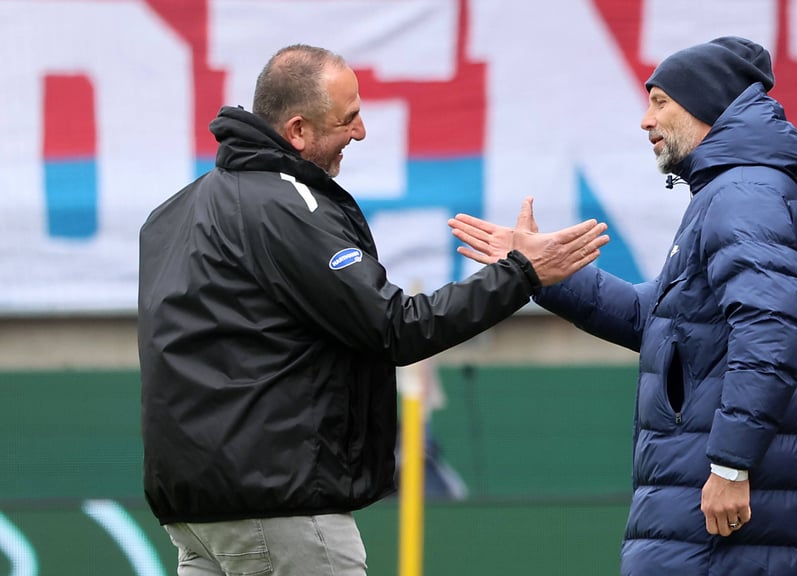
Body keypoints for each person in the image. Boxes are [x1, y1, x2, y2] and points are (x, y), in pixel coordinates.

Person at [137, 44, 609, 576]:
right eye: (349, 118)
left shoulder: (171, 213)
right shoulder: (285, 206)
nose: (360, 132)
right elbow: (396, 326)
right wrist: (521, 272)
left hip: (193, 513)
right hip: (280, 505)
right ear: (296, 131)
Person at [449, 36, 797, 575]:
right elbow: (654, 321)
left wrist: (729, 463)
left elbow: (769, 332)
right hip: (712, 510)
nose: (645, 121)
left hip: (725, 517)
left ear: (705, 105)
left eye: (660, 102)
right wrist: (541, 273)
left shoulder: (742, 194)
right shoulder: (729, 192)